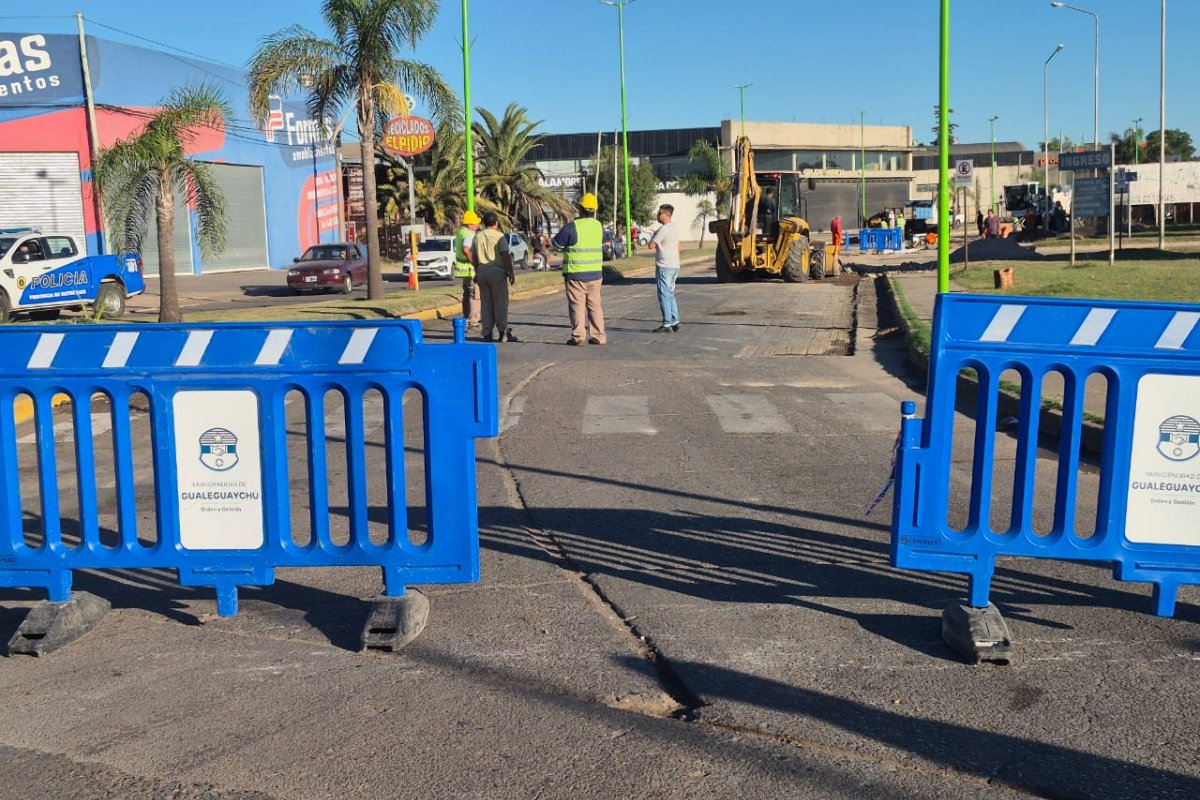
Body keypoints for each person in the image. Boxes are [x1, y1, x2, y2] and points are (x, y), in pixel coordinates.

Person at [553, 192, 606, 346]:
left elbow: (557, 244)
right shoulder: (598, 226)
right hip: (596, 274)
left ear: (580, 208)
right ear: (594, 210)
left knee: (577, 306)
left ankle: (578, 336)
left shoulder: (572, 227)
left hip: (576, 274)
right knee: (595, 305)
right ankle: (599, 335)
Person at [472, 211, 518, 342]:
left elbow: (474, 257)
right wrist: (510, 272)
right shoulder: (499, 236)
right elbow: (505, 254)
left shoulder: (478, 237)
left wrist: (477, 271)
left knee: (486, 304)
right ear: (496, 223)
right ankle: (503, 332)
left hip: (482, 271)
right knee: (500, 303)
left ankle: (486, 333)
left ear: (484, 223)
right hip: (497, 271)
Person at [647, 204, 682, 332]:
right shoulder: (675, 228)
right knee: (670, 293)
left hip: (664, 265)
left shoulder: (664, 229)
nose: (657, 215)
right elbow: (679, 246)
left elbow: (651, 245)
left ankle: (667, 323)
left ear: (666, 215)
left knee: (664, 294)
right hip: (674, 265)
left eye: (660, 213)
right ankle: (675, 320)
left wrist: (653, 234)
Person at [453, 210, 481, 327]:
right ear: (469, 224)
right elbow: (466, 249)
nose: (478, 225)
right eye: (475, 223)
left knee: (466, 294)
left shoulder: (460, 232)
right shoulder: (469, 234)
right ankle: (473, 320)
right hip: (470, 270)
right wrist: (475, 262)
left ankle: (465, 317)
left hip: (462, 269)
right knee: (475, 295)